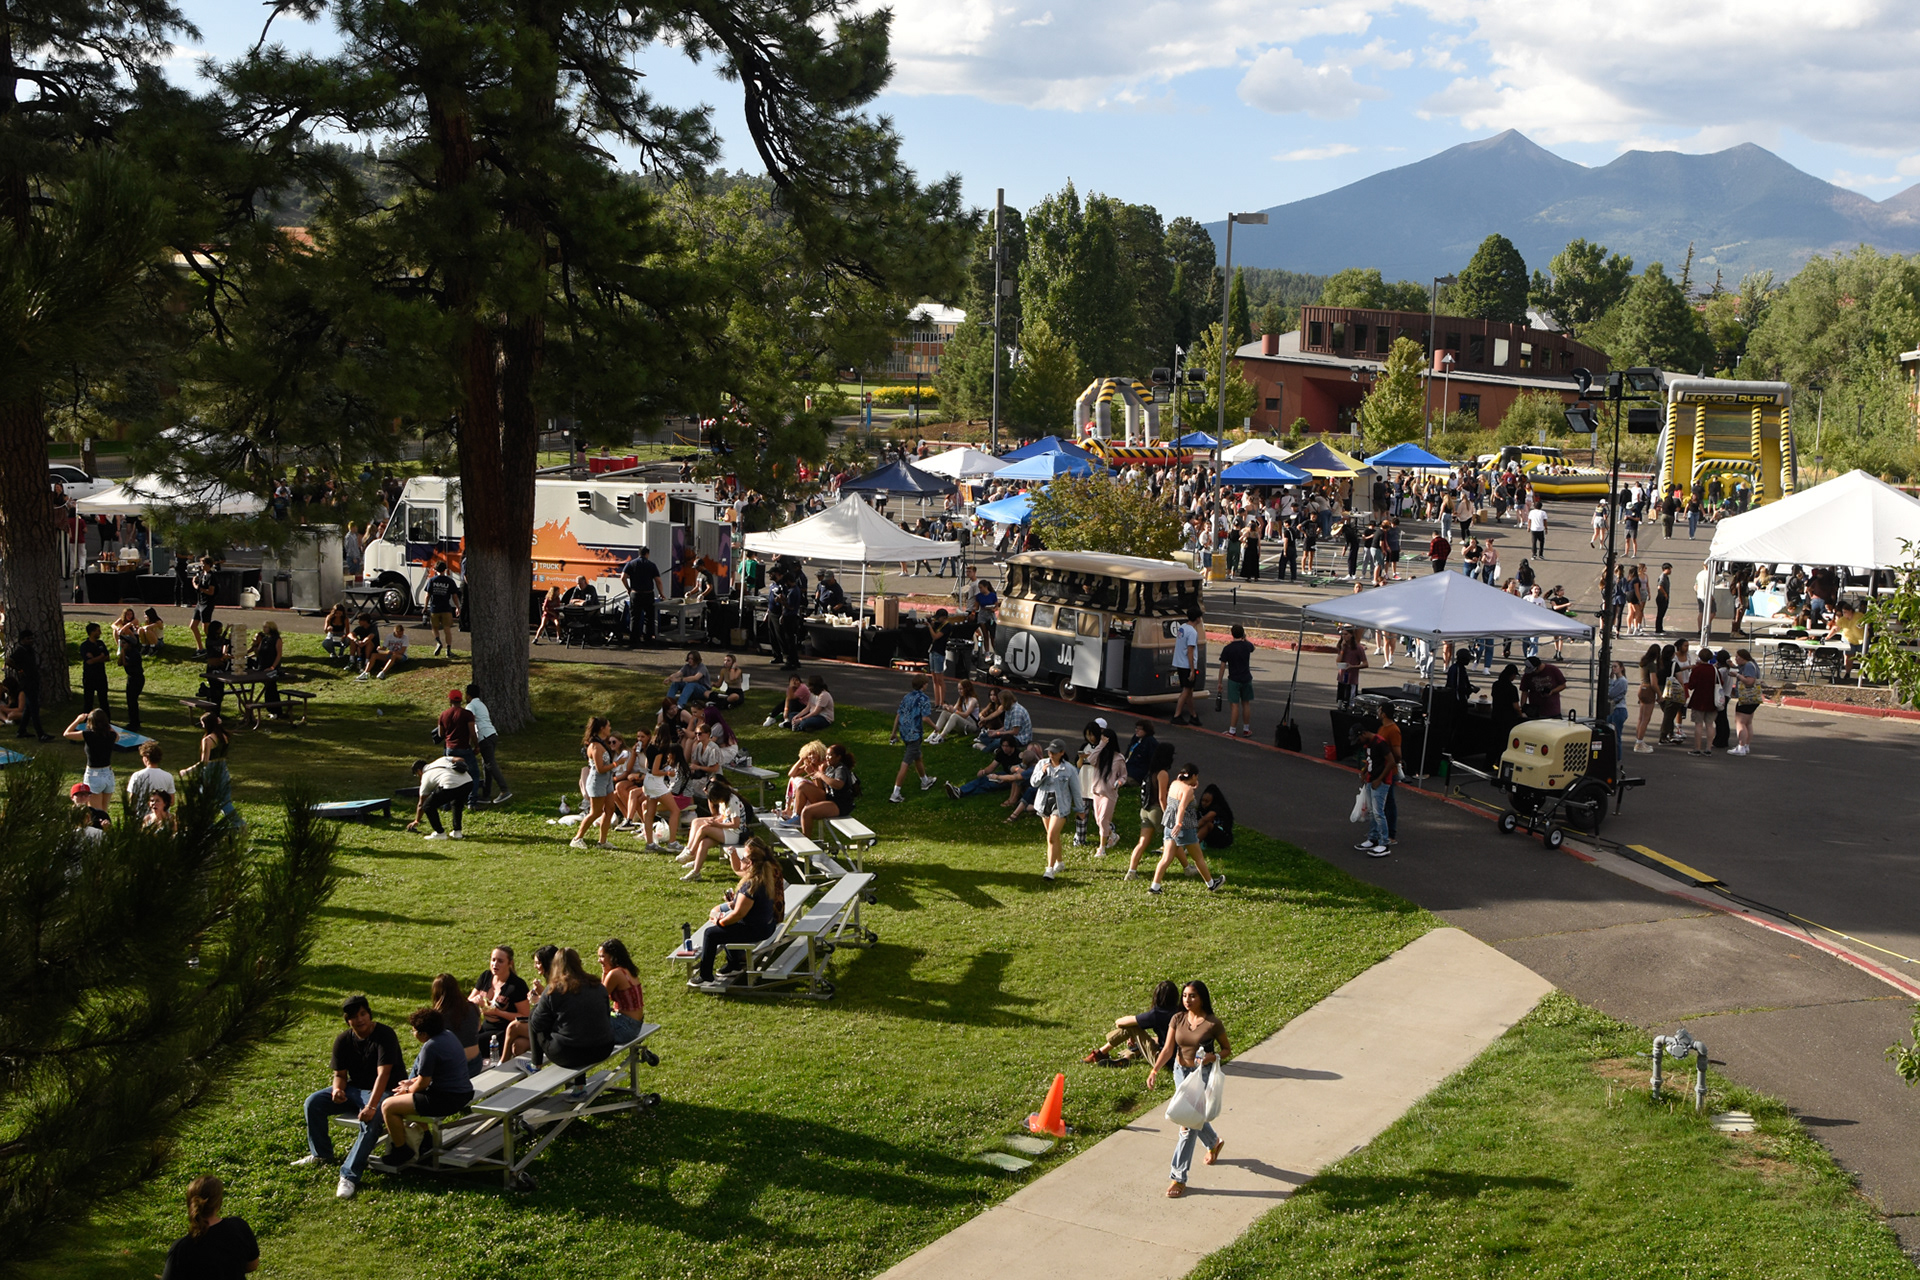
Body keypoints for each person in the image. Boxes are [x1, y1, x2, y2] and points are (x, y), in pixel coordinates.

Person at [295, 995, 404, 1200]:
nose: (360, 1019)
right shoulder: (343, 1040)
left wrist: (371, 1106)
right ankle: (321, 1154)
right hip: (355, 1090)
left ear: (369, 1014)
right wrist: (337, 1090)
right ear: (348, 1020)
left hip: (384, 1091)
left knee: (371, 1122)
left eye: (363, 1014)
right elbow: (339, 1075)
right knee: (314, 1102)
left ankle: (349, 1176)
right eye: (355, 1016)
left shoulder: (385, 1034)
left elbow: (384, 1075)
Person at [1146, 980, 1233, 1198]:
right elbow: (1167, 1048)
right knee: (1191, 1118)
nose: (1187, 1000)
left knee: (1186, 1126)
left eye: (1192, 996)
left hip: (1200, 1076)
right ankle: (1213, 1142)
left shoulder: (1213, 1024)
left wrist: (1215, 1057)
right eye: (1185, 996)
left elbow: (1227, 1049)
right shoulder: (1178, 1018)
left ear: (1202, 997)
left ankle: (1178, 1177)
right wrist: (1154, 1070)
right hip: (1180, 1072)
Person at [375, 1006, 476, 1169]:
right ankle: (427, 1140)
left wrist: (407, 1090)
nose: (413, 1034)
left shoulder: (430, 1047)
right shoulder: (448, 1036)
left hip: (446, 1100)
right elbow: (433, 1075)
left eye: (413, 1031)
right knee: (410, 1100)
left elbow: (423, 1084)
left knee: (389, 1106)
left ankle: (401, 1151)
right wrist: (411, 1083)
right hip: (463, 1093)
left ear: (423, 1034)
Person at [687, 838, 787, 989]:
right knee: (727, 925)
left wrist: (721, 922)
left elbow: (738, 914)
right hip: (767, 924)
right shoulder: (765, 875)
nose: (741, 860)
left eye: (743, 858)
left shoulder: (751, 885)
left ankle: (705, 976)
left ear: (751, 863)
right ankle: (734, 964)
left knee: (711, 933)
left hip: (757, 929)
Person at [522, 946, 615, 1069]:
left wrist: (541, 1006)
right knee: (577, 1029)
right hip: (603, 1048)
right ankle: (579, 1085)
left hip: (568, 1054)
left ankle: (535, 1064)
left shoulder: (553, 990)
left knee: (534, 1014)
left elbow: (537, 1025)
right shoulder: (598, 986)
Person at [161, 1173, 259, 1279]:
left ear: (190, 1204)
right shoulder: (239, 1227)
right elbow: (252, 1265)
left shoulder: (181, 1248)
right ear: (219, 1202)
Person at [1151, 763, 1224, 892]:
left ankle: (1155, 887)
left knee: (1166, 858)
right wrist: (1179, 824)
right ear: (1194, 775)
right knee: (1198, 858)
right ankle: (1211, 884)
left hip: (1169, 825)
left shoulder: (1174, 784)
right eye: (1197, 777)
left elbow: (1179, 797)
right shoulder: (1188, 790)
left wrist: (1192, 787)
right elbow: (1182, 807)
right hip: (1184, 827)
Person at [1084, 979, 1181, 1066]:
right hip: (1177, 1057)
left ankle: (1101, 1052)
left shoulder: (1156, 1014)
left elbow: (1119, 1023)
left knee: (1133, 1027)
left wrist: (1133, 1034)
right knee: (1149, 1041)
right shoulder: (1180, 1012)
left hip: (1163, 1059)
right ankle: (1127, 1058)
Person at [1029, 739, 1086, 882]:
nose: (1051, 755)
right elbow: (1033, 783)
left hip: (1060, 805)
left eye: (1054, 752)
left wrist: (1080, 809)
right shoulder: (1042, 764)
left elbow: (1076, 791)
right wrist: (1042, 773)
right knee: (1053, 837)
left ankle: (1049, 869)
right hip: (1044, 803)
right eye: (1049, 752)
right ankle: (1059, 862)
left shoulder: (1069, 769)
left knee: (1051, 836)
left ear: (1062, 753)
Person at [676, 774, 749, 882]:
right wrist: (715, 821)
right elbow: (724, 817)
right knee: (702, 837)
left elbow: (735, 824)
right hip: (726, 830)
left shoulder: (732, 802)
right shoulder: (724, 800)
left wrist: (716, 825)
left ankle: (691, 852)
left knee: (704, 829)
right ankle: (696, 872)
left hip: (735, 834)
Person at [468, 945, 531, 1065]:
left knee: (474, 1044)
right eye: (493, 960)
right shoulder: (486, 976)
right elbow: (468, 1000)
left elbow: (524, 1017)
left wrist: (498, 1012)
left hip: (504, 1031)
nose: (495, 964)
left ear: (510, 963)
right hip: (484, 1027)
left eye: (500, 961)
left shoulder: (517, 985)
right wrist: (474, 1001)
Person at [1080, 722, 1129, 852]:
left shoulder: (1119, 758)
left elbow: (1123, 776)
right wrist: (1101, 745)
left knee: (1102, 820)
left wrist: (1118, 783)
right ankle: (1112, 836)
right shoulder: (1099, 755)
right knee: (1099, 820)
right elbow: (1090, 760)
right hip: (1097, 792)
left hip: (1109, 793)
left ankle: (1101, 848)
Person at [889, 674, 939, 803]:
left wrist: (894, 732)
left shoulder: (907, 697)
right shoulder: (924, 699)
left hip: (904, 732)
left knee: (918, 756)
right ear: (924, 685)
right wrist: (936, 727)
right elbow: (925, 718)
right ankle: (896, 793)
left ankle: (925, 781)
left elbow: (898, 714)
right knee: (906, 763)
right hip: (914, 734)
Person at [571, 716, 618, 848]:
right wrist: (616, 764)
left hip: (607, 781)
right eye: (608, 726)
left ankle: (602, 841)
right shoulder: (595, 746)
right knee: (596, 812)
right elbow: (600, 769)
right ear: (602, 728)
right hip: (597, 781)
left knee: (610, 809)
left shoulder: (602, 743)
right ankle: (577, 838)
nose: (610, 728)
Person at [794, 742, 859, 835]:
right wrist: (815, 776)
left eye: (830, 755)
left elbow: (838, 784)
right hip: (830, 798)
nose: (827, 757)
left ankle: (806, 844)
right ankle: (796, 817)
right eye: (826, 755)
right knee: (802, 787)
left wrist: (821, 775)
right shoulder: (830, 768)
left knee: (807, 811)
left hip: (840, 804)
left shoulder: (840, 769)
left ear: (838, 757)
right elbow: (821, 788)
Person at [464, 684, 512, 805]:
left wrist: (471, 743)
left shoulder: (470, 706)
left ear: (468, 695)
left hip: (484, 736)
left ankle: (504, 789)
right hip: (492, 734)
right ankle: (486, 795)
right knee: (486, 765)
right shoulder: (481, 704)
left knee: (490, 764)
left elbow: (469, 722)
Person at [406, 754, 473, 840]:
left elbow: (421, 804)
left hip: (450, 785)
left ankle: (440, 833)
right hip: (468, 782)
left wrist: (416, 821)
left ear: (419, 771)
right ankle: (457, 832)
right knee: (457, 803)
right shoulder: (442, 759)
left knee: (428, 806)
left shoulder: (425, 777)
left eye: (416, 775)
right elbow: (461, 759)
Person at [63, 706, 117, 815]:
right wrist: (107, 725)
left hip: (94, 774)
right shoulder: (111, 735)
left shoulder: (88, 735)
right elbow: (118, 736)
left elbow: (67, 734)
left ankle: (96, 831)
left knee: (96, 813)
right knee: (104, 812)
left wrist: (78, 720)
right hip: (108, 774)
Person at [945, 734, 1027, 800]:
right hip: (1003, 774)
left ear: (1012, 746)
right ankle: (960, 790)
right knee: (982, 780)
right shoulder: (1001, 753)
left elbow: (1020, 775)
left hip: (1012, 779)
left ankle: (961, 793)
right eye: (1003, 746)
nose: (1004, 748)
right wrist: (984, 771)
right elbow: (992, 766)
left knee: (988, 786)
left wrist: (1005, 779)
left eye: (1007, 746)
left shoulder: (1019, 756)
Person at [431, 972, 483, 1075]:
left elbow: (433, 1044)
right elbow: (478, 1028)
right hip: (476, 1063)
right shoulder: (472, 1007)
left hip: (454, 1067)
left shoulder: (438, 1016)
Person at [598, 939, 649, 1045]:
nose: (599, 960)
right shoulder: (628, 970)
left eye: (602, 956)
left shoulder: (615, 974)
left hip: (624, 1027)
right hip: (635, 1025)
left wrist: (604, 973)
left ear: (613, 957)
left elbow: (600, 997)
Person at [3, 628, 49, 741]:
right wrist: (19, 669)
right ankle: (41, 734)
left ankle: (21, 731)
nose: (31, 640)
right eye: (28, 639)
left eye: (32, 638)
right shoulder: (20, 650)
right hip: (27, 683)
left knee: (29, 708)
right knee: (34, 708)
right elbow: (9, 661)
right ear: (22, 640)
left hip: (33, 680)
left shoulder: (30, 650)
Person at [1215, 623, 1256, 739]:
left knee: (1234, 705)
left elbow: (1222, 666)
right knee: (1246, 703)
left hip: (1234, 679)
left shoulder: (1228, 649)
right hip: (1246, 677)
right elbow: (1253, 647)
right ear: (1242, 634)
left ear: (1232, 634)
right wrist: (1245, 638)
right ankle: (1246, 729)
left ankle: (1232, 730)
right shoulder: (1247, 646)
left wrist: (1219, 682)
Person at [126, 740, 177, 823]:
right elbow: (172, 801)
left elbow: (132, 800)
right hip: (162, 818)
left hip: (142, 817)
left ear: (146, 758)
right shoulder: (168, 776)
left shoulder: (137, 775)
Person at [1169, 609, 1202, 725]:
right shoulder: (1192, 632)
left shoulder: (1182, 627)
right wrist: (1192, 669)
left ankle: (1193, 714)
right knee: (1186, 690)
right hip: (1186, 664)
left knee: (1189, 691)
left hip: (1179, 662)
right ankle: (1177, 714)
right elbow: (1190, 651)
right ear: (1197, 618)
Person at [623, 548, 661, 646]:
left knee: (634, 617)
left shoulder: (631, 564)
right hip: (648, 594)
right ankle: (647, 638)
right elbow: (658, 581)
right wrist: (661, 593)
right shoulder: (651, 565)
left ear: (639, 554)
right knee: (649, 617)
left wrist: (628, 588)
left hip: (635, 593)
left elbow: (623, 577)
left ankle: (634, 639)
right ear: (647, 554)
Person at [1685, 646, 1719, 756]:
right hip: (1712, 699)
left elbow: (1691, 685)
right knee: (1710, 724)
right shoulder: (1714, 670)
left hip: (1699, 698)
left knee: (1698, 724)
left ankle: (1697, 748)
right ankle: (1708, 748)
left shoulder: (1697, 670)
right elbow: (1720, 683)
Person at [424, 562, 462, 658]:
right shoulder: (449, 581)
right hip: (446, 608)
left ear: (435, 570)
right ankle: (448, 651)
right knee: (447, 629)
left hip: (434, 608)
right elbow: (454, 596)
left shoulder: (432, 581)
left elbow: (427, 595)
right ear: (445, 570)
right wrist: (458, 607)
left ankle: (438, 642)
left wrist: (425, 607)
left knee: (435, 628)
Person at [928, 678, 980, 744]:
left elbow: (965, 714)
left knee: (955, 716)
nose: (959, 691)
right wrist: (947, 708)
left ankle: (941, 737)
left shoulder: (973, 700)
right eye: (959, 689)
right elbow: (953, 710)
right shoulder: (961, 699)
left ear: (967, 689)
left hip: (972, 725)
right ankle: (935, 733)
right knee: (945, 713)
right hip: (964, 722)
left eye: (961, 689)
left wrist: (954, 711)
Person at [1731, 648, 1760, 756]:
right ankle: (1746, 745)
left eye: (1737, 657)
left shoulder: (1748, 666)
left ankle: (1741, 746)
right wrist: (1734, 667)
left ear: (1743, 657)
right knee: (1748, 723)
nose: (1735, 659)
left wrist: (1737, 676)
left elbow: (1749, 681)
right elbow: (1740, 669)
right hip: (1753, 698)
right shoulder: (1751, 664)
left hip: (1746, 697)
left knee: (1740, 722)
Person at [1519, 654, 1566, 720]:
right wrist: (1523, 709)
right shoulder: (1527, 675)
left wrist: (1552, 691)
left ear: (1537, 667)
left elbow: (1563, 685)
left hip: (1553, 710)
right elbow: (1524, 692)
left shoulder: (1553, 670)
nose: (1532, 673)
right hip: (1535, 711)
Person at [78, 621, 110, 714]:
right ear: (91, 632)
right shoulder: (85, 645)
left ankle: (107, 720)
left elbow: (107, 657)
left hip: (101, 675)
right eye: (97, 630)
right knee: (88, 700)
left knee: (103, 700)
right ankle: (87, 720)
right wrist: (100, 657)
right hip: (89, 676)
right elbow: (89, 661)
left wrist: (95, 658)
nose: (100, 632)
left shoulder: (101, 643)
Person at [190, 556, 219, 655]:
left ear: (208, 565)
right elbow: (198, 587)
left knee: (206, 628)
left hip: (207, 604)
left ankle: (214, 646)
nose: (201, 566)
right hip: (200, 603)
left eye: (203, 564)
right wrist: (195, 583)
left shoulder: (212, 577)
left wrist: (198, 587)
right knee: (193, 626)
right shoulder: (202, 574)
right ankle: (200, 648)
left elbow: (211, 592)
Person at [1334, 627, 1367, 705]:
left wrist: (1353, 666)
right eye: (1342, 634)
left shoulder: (1358, 648)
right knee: (1340, 701)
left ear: (1351, 635)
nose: (1344, 636)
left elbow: (1365, 664)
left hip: (1351, 679)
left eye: (1346, 634)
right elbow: (1338, 662)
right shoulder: (1342, 646)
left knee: (1349, 702)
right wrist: (1342, 649)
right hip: (1341, 677)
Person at [1196, 783, 1234, 849]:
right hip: (1208, 836)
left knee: (1207, 824)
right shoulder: (1201, 810)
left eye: (1207, 801)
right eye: (1203, 800)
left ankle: (1191, 848)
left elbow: (1204, 820)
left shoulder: (1217, 809)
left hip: (1222, 838)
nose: (1204, 803)